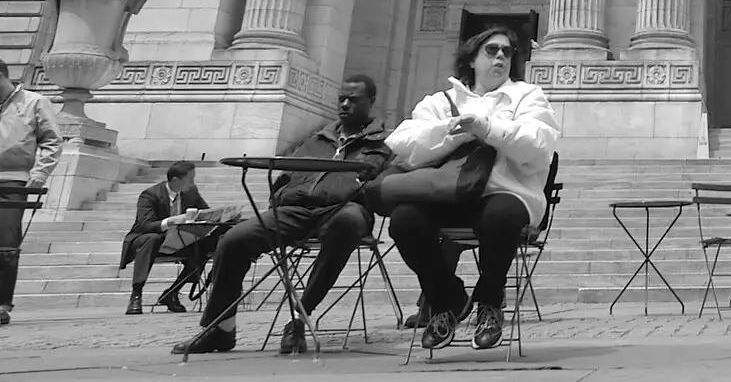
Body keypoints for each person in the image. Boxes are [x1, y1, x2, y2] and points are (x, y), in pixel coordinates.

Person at [171, 76, 393, 356]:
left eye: (354, 100)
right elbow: (283, 179)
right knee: (234, 238)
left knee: (347, 222)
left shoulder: (385, 143)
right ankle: (220, 328)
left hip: (345, 211)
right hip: (296, 210)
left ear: (371, 102)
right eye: (342, 99)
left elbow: (384, 186)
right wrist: (283, 196)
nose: (345, 105)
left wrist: (357, 190)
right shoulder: (317, 139)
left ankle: (299, 318)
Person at [386, 29, 560, 351]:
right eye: (492, 50)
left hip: (506, 191)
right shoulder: (442, 101)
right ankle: (446, 298)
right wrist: (455, 132)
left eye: (507, 53)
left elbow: (538, 145)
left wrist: (487, 128)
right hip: (447, 191)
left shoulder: (528, 96)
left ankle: (490, 300)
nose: (500, 57)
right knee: (404, 220)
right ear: (472, 58)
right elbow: (402, 142)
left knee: (500, 216)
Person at [0, 59, 62, 325]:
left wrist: (39, 173)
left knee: (5, 244)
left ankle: (1, 303)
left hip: (12, 181)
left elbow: (52, 139)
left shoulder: (33, 102)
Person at [121, 160, 212, 315]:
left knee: (202, 246)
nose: (193, 182)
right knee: (152, 239)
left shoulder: (191, 192)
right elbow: (144, 225)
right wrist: (171, 221)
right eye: (190, 179)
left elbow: (205, 212)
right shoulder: (149, 195)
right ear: (176, 180)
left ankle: (172, 293)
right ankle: (136, 294)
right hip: (146, 238)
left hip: (178, 239)